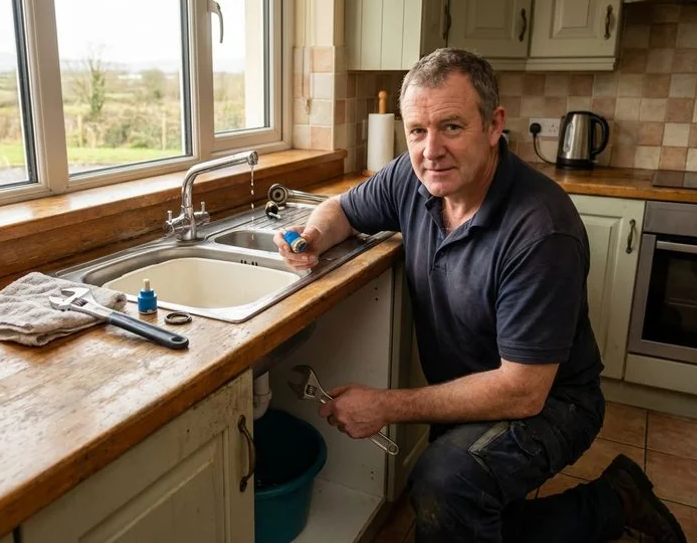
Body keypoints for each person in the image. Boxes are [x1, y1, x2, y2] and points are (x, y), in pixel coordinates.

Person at [274, 48, 685, 543]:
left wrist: (385, 404)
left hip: (555, 402)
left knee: (446, 483)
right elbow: (341, 208)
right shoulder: (412, 175)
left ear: (494, 126)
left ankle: (609, 503)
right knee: (468, 514)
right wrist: (314, 235)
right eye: (416, 131)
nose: (430, 150)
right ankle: (617, 498)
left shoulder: (540, 230)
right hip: (480, 385)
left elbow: (523, 390)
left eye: (451, 127)